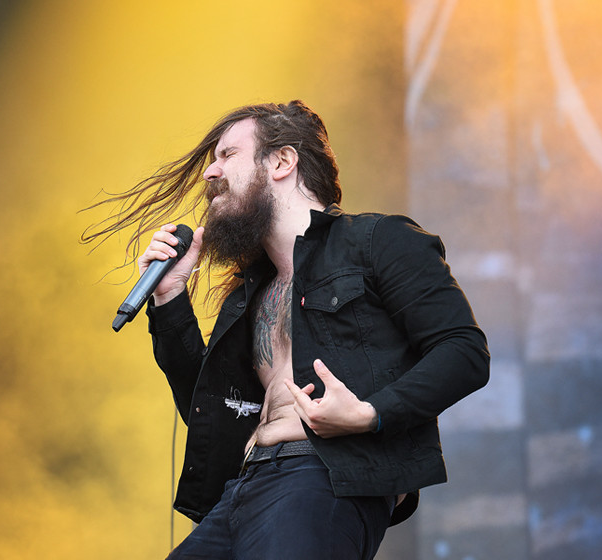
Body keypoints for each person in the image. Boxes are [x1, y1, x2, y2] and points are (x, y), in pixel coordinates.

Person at [84, 100, 490, 559]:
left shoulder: (378, 240)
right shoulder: (251, 291)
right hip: (244, 485)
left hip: (319, 479)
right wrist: (170, 296)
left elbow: (464, 351)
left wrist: (369, 413)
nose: (210, 173)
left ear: (282, 161)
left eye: (227, 155)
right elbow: (209, 409)